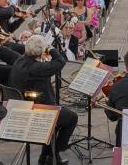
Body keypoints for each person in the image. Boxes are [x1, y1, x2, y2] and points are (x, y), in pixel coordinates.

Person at [9, 35, 78, 165]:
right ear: (41, 51)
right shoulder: (36, 68)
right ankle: (54, 152)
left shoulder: (20, 61)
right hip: (39, 110)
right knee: (71, 118)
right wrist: (50, 49)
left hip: (24, 105)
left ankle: (46, 157)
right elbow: (60, 61)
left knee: (58, 122)